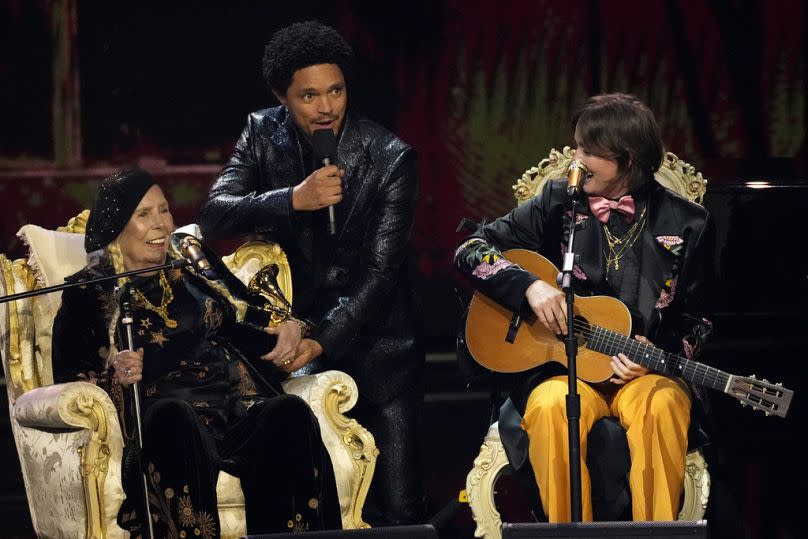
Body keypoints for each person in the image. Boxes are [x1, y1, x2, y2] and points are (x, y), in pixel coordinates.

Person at [197, 21, 426, 526]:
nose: (326, 107)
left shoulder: (390, 158)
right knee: (311, 501)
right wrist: (292, 200)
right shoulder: (262, 133)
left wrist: (321, 341)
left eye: (336, 91)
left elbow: (381, 273)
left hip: (378, 349)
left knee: (398, 508)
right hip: (291, 346)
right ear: (282, 96)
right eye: (309, 96)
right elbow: (214, 213)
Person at [454, 93, 715, 522]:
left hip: (645, 375)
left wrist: (658, 356)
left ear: (628, 161)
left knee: (663, 405)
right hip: (564, 370)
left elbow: (701, 320)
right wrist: (529, 288)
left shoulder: (690, 223)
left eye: (589, 152)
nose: (575, 161)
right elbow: (470, 248)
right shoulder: (557, 202)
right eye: (576, 147)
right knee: (552, 407)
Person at [52, 167, 341, 537]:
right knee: (175, 418)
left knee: (288, 413)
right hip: (168, 423)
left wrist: (288, 327)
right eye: (144, 215)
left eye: (164, 210)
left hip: (231, 411)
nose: (160, 224)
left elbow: (245, 313)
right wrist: (116, 376)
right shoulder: (88, 292)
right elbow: (69, 378)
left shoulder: (188, 262)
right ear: (116, 228)